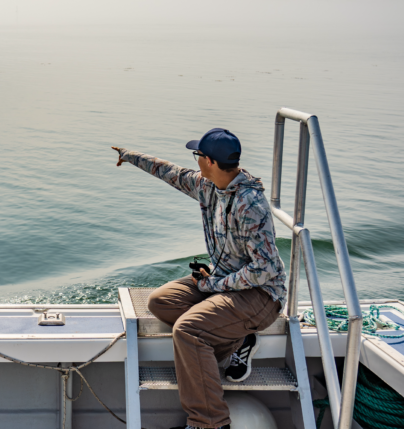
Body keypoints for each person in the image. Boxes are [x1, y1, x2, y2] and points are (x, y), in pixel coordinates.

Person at [112, 128, 286, 429]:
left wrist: (214, 285)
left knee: (189, 330)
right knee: (161, 302)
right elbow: (169, 172)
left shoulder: (250, 205)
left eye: (198, 156)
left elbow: (265, 269)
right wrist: (129, 156)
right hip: (225, 284)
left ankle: (209, 423)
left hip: (261, 296)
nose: (195, 162)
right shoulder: (208, 186)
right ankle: (237, 342)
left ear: (210, 161)